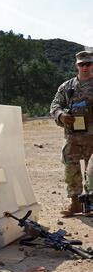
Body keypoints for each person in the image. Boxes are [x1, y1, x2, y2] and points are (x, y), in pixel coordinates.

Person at [50, 51, 93, 216]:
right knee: (71, 169)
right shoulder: (67, 86)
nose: (85, 67)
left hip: (92, 136)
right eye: (81, 64)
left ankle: (89, 204)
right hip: (72, 136)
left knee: (92, 170)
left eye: (88, 64)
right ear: (76, 65)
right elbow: (55, 105)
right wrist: (61, 115)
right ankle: (75, 203)